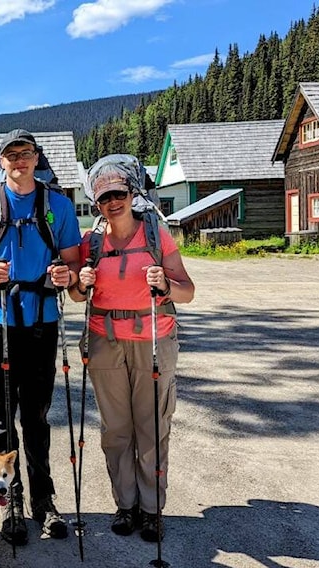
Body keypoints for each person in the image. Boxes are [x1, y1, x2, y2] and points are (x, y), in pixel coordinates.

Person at [0, 129, 82, 544]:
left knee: (36, 415)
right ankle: (7, 498)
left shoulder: (59, 207)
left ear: (36, 158)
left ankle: (43, 501)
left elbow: (73, 265)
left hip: (42, 322)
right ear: (1, 162)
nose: (19, 160)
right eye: (11, 154)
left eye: (26, 153)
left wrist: (64, 276)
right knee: (2, 416)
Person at [68, 157, 195, 543]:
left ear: (132, 194)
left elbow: (187, 292)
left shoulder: (156, 235)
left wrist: (165, 285)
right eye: (105, 197)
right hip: (105, 340)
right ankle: (126, 505)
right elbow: (75, 296)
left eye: (119, 194)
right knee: (116, 430)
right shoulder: (90, 242)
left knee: (153, 427)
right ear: (97, 203)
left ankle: (152, 509)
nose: (113, 202)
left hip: (154, 339)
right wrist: (81, 283)